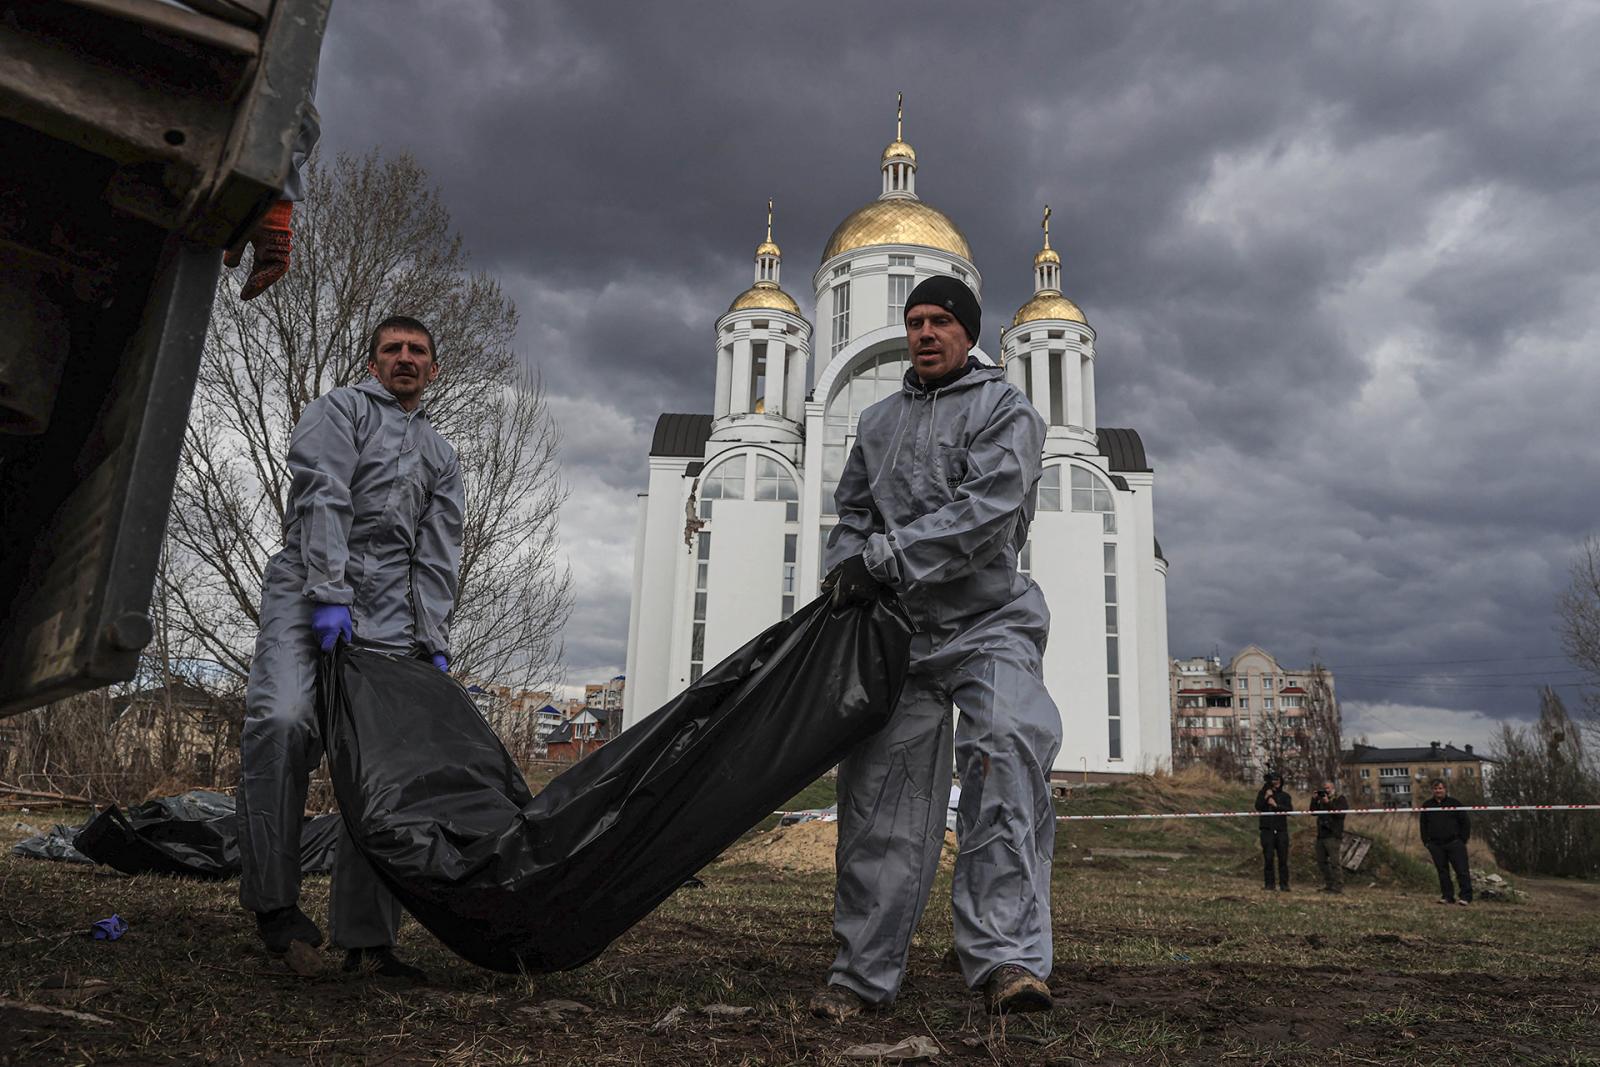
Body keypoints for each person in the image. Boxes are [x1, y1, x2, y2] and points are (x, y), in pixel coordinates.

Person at [810, 276, 1062, 1020]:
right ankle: (861, 974)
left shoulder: (1007, 410)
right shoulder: (878, 420)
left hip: (991, 625)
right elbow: (852, 512)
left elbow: (986, 513)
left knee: (1007, 757)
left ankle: (1008, 959)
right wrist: (844, 571)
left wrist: (880, 560)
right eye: (915, 321)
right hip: (903, 637)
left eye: (940, 321)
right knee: (878, 799)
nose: (924, 333)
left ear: (967, 333)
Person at [237, 315, 464, 980]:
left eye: (417, 351)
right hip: (308, 591)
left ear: (433, 369)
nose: (404, 358)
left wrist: (434, 642)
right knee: (279, 722)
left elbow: (439, 550)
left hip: (393, 615)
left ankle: (368, 940)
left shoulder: (441, 454)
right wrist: (330, 590)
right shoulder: (337, 411)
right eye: (391, 348)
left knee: (383, 766)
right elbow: (323, 497)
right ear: (373, 362)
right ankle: (275, 907)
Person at [1420, 779, 1473, 905]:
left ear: (1445, 789)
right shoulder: (1427, 805)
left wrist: (1462, 840)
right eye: (1436, 788)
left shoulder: (1455, 803)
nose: (1438, 791)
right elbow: (1423, 824)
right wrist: (1426, 842)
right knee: (1442, 872)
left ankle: (1465, 897)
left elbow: (1465, 822)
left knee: (1461, 870)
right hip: (1436, 844)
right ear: (1432, 790)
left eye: (1440, 788)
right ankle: (1447, 896)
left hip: (1455, 843)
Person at [1255, 772, 1293, 891]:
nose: (1275, 783)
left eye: (1277, 780)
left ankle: (1284, 884)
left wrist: (1276, 805)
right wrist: (1266, 797)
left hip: (1281, 830)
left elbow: (1289, 810)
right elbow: (1258, 807)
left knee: (1283, 859)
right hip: (1267, 830)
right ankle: (1269, 884)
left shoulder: (1285, 796)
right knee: (1268, 858)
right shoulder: (1262, 794)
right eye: (1273, 780)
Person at [1310, 779, 1347, 893]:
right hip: (1321, 834)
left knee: (1335, 862)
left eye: (1327, 788)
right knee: (1321, 862)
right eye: (1324, 788)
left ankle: (1338, 886)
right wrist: (1314, 800)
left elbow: (1340, 814)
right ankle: (1329, 884)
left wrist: (1328, 803)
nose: (1325, 790)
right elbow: (1313, 812)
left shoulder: (1340, 799)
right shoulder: (1321, 800)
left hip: (1333, 834)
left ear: (1333, 788)